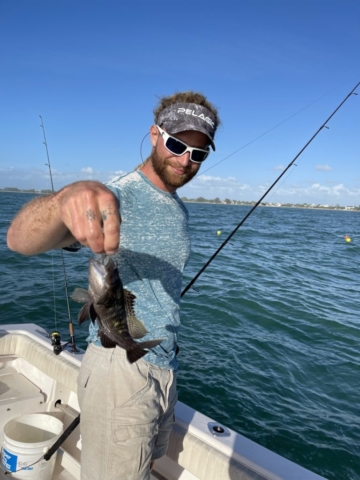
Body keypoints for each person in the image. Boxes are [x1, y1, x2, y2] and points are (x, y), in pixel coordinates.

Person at [6, 91, 220, 480]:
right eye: (177, 145)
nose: (186, 160)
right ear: (155, 135)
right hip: (120, 372)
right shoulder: (118, 195)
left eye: (199, 154)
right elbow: (19, 240)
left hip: (158, 364)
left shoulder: (177, 204)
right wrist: (64, 200)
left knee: (144, 466)